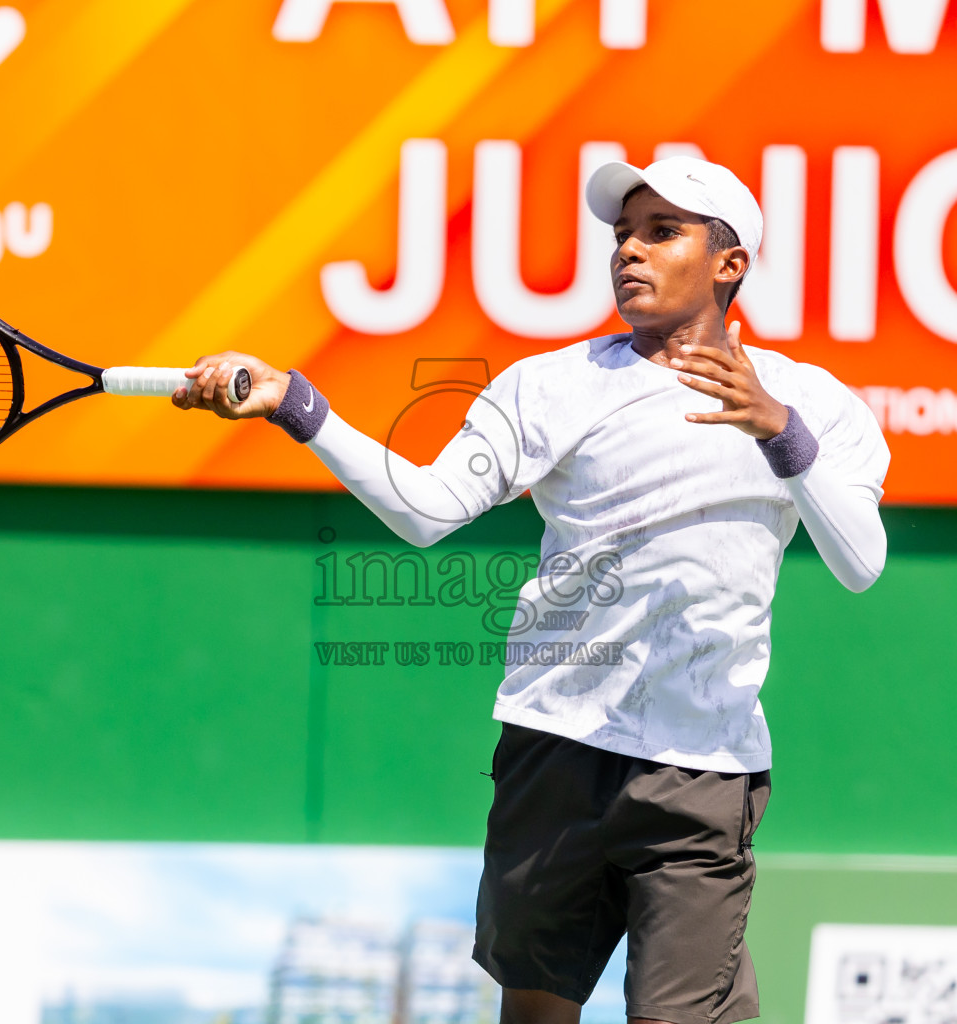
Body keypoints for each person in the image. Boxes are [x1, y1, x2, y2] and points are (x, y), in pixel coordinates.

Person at [173, 156, 890, 1024]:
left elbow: (860, 563)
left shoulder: (815, 403)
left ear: (729, 265)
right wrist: (300, 405)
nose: (630, 250)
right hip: (556, 749)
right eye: (622, 233)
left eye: (663, 232)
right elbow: (426, 510)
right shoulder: (548, 386)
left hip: (704, 773)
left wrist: (780, 429)